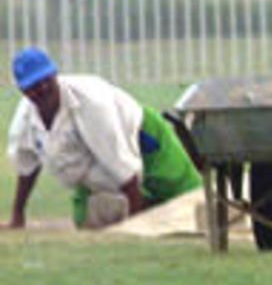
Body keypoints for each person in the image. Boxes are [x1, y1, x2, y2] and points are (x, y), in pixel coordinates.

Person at [6, 47, 202, 229]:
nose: (42, 89)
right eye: (33, 86)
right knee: (85, 221)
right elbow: (27, 167)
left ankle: (149, 209)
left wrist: (135, 227)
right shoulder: (25, 120)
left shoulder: (91, 104)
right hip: (94, 169)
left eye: (45, 80)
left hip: (143, 137)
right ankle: (148, 207)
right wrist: (17, 214)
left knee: (193, 204)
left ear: (55, 75)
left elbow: (124, 169)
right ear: (23, 90)